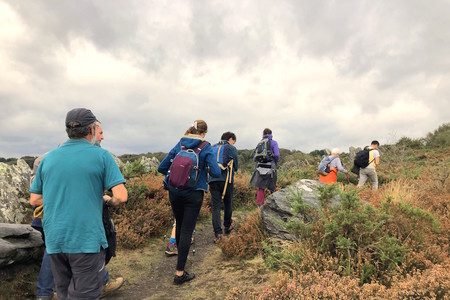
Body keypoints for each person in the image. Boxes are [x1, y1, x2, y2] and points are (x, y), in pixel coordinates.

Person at [30, 108, 127, 299]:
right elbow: (121, 196)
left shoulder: (48, 158)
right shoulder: (102, 156)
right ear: (91, 129)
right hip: (86, 241)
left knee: (65, 293)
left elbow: (34, 199)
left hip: (55, 240)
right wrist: (107, 199)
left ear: (68, 131)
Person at [158, 120, 221, 285]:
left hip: (174, 192)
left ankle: (181, 260)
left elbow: (162, 167)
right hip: (194, 194)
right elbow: (215, 171)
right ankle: (179, 273)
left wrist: (177, 175)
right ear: (203, 133)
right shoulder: (206, 147)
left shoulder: (180, 143)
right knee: (187, 230)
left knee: (179, 225)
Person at [208, 131, 239, 243]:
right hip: (226, 180)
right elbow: (236, 166)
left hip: (212, 180)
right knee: (227, 203)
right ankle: (227, 225)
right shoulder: (231, 148)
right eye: (233, 141)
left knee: (215, 206)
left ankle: (218, 233)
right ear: (230, 139)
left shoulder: (212, 147)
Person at [250, 128, 279, 207]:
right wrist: (275, 162)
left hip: (260, 168)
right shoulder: (274, 143)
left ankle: (259, 206)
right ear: (271, 134)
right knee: (272, 187)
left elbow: (254, 158)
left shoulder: (260, 143)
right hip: (270, 167)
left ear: (263, 134)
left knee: (261, 188)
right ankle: (275, 205)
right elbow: (276, 155)